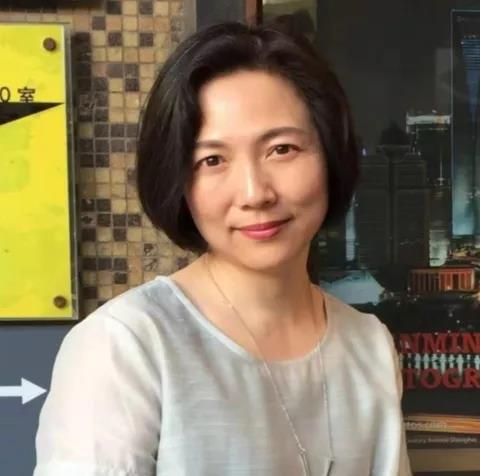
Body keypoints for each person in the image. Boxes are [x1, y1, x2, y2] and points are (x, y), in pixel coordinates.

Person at [34, 22, 411, 476]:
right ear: (178, 180)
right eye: (212, 160)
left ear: (330, 154)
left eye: (282, 149)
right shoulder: (125, 346)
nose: (254, 193)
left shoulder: (368, 346)